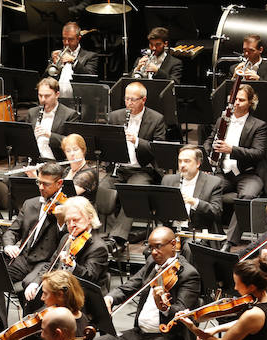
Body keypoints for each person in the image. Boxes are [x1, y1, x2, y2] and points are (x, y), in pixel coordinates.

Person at [102, 81, 167, 246]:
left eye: (133, 99)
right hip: (119, 169)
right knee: (102, 190)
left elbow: (158, 149)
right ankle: (105, 234)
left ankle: (117, 239)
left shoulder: (156, 119)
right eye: (126, 99)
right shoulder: (115, 117)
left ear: (143, 100)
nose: (129, 103)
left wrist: (136, 141)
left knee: (132, 193)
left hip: (142, 170)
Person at [204, 84, 267, 245]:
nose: (236, 103)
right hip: (224, 173)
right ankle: (216, 237)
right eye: (234, 100)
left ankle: (230, 242)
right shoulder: (222, 120)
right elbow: (208, 142)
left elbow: (258, 153)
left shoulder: (259, 125)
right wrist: (207, 158)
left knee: (246, 196)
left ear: (251, 102)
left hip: (249, 174)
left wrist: (231, 150)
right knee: (205, 191)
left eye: (241, 100)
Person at [0, 270, 89, 340]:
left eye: (45, 294)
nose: (42, 298)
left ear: (60, 295)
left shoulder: (57, 323)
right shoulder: (82, 317)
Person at [4, 162, 68, 304]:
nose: (40, 187)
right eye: (39, 182)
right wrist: (9, 245)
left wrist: (61, 220)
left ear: (59, 183)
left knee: (30, 285)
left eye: (46, 184)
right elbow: (13, 231)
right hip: (24, 259)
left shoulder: (66, 208)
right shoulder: (29, 204)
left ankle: (31, 317)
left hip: (45, 262)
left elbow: (65, 240)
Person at [26, 196, 108, 301]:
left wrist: (73, 265)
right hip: (62, 292)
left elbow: (89, 277)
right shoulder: (67, 238)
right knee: (31, 290)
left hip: (83, 298)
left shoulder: (98, 247)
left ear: (89, 218)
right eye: (68, 221)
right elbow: (52, 264)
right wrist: (36, 282)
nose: (72, 225)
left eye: (76, 220)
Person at [160, 145, 223, 233]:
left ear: (198, 163)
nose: (182, 165)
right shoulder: (168, 180)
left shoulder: (213, 182)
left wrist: (194, 202)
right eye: (180, 161)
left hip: (196, 232)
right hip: (171, 231)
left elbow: (216, 212)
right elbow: (161, 212)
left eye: (187, 161)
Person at [23, 77, 79, 161]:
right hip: (34, 161)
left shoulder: (70, 114)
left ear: (57, 94)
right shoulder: (32, 113)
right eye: (40, 95)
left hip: (57, 162)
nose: (43, 99)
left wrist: (49, 134)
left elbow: (72, 143)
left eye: (47, 96)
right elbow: (24, 140)